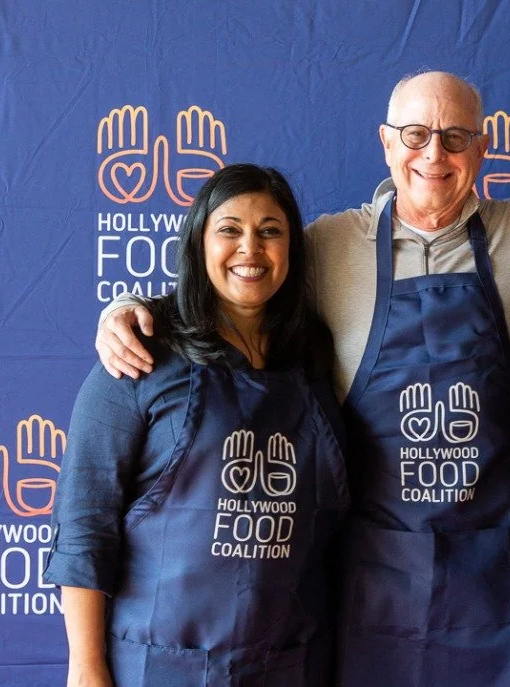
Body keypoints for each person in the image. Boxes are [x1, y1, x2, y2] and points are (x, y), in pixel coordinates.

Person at [95, 72, 510, 687]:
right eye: (415, 134)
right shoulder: (326, 246)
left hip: (492, 581)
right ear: (386, 142)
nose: (435, 153)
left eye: (456, 137)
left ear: (482, 148)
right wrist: (131, 311)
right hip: (370, 583)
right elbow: (236, 282)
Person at [44, 164, 349, 687]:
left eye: (270, 231)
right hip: (161, 665)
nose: (250, 248)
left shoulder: (316, 358)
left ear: (292, 250)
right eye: (229, 230)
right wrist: (86, 668)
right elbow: (84, 525)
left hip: (290, 663)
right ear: (198, 243)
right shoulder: (141, 354)